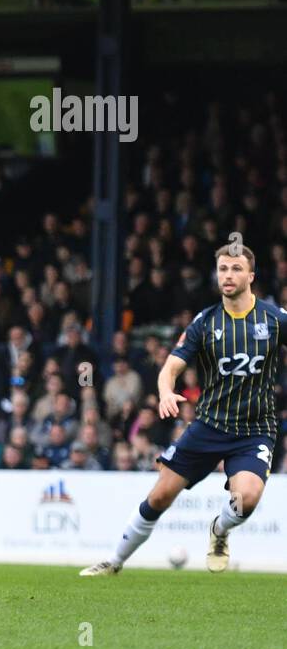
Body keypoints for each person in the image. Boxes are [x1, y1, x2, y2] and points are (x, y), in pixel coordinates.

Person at [81, 244, 281, 576]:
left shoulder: (274, 319)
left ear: (251, 276)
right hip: (209, 425)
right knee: (159, 497)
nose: (228, 275)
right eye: (222, 269)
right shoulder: (206, 322)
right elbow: (170, 368)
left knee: (245, 497)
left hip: (254, 430)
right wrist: (164, 393)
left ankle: (220, 531)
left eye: (235, 269)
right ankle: (113, 562)